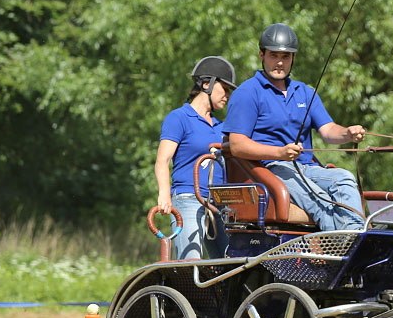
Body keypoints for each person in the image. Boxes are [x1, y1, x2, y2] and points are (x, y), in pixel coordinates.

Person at [222, 23, 366, 231]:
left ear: (293, 58)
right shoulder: (248, 92)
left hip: (307, 168)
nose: (279, 62)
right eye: (274, 55)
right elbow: (236, 145)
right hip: (269, 169)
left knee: (344, 178)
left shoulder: (304, 92)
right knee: (321, 200)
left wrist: (347, 133)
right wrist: (279, 153)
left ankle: (357, 237)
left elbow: (328, 130)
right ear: (262, 55)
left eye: (286, 56)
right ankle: (346, 244)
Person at [154, 56, 236, 259]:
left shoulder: (221, 127)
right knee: (191, 263)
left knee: (232, 264)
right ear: (206, 84)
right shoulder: (179, 118)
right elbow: (162, 161)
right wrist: (164, 194)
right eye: (224, 88)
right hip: (189, 199)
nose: (227, 95)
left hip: (219, 203)